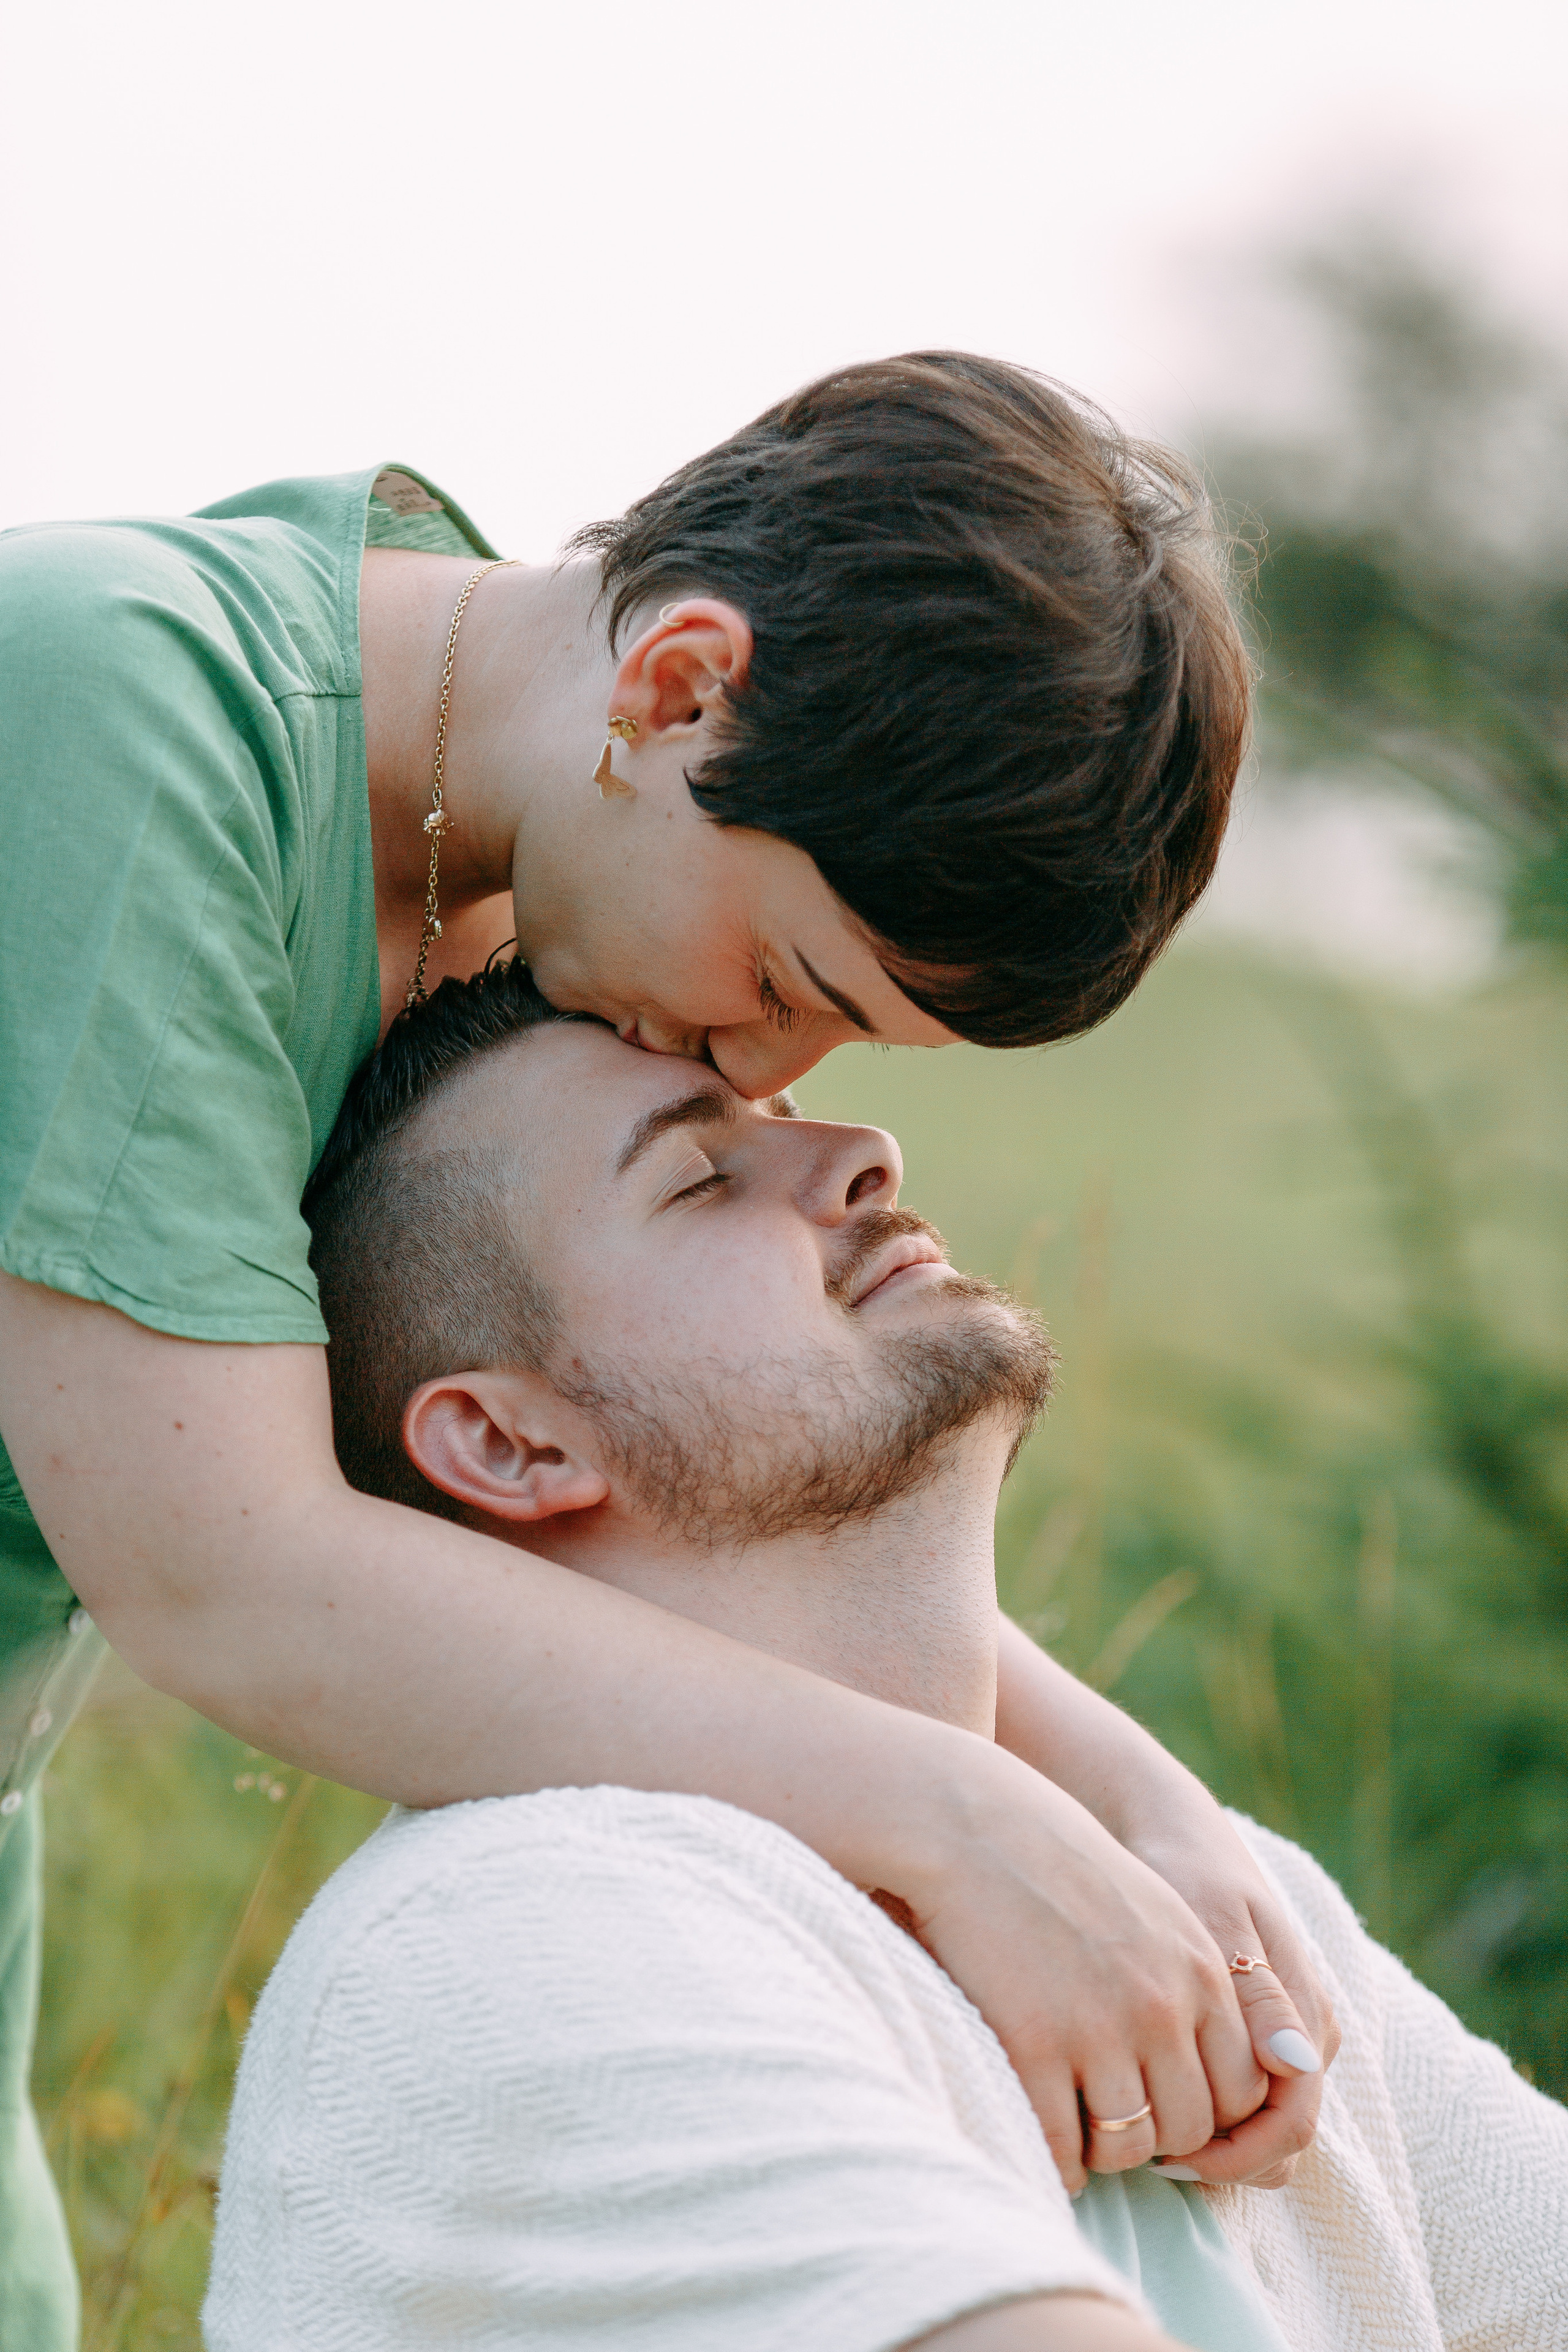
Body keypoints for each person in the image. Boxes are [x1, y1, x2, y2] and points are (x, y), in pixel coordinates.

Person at [0, 353, 1324, 2345]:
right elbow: (231, 1570)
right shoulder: (124, 715)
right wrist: (960, 1821)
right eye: (792, 979)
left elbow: (601, 1451)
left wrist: (1138, 1803)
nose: (770, 1074)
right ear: (680, 688)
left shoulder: (496, 841)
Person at [205, 963, 1568, 2352]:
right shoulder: (516, 1933)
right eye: (694, 1177)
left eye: (792, 1112)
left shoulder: (1190, 1897)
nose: (863, 1154)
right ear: (510, 1443)